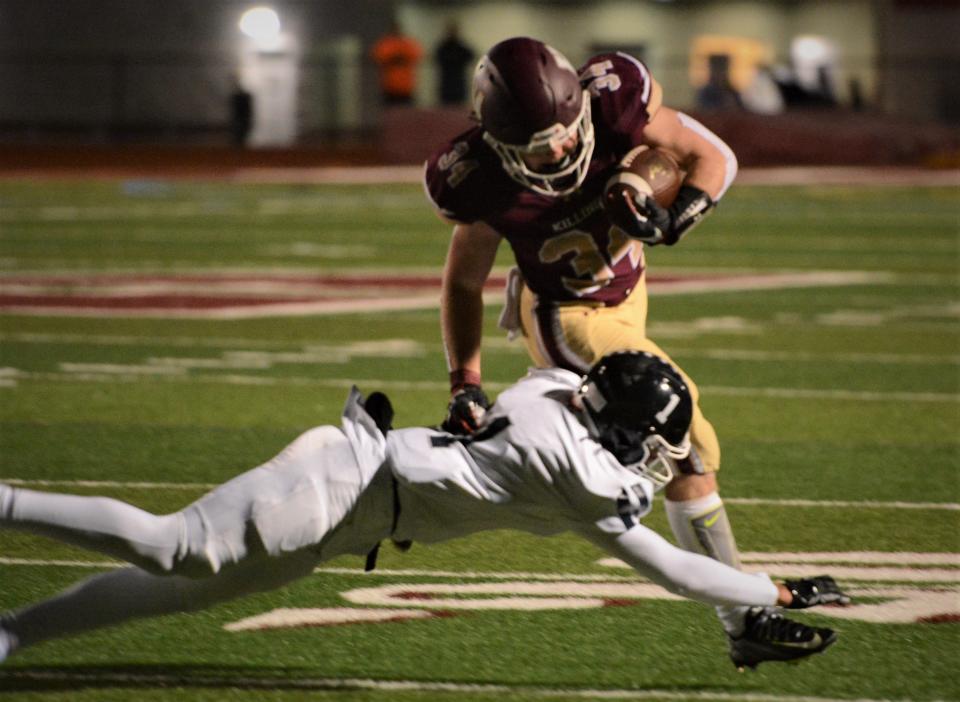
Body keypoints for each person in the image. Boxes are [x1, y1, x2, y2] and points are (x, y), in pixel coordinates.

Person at [0, 351, 848, 669]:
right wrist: (768, 590)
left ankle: (13, 634)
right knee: (176, 549)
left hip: (363, 508)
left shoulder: (559, 390)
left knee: (188, 589)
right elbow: (668, 567)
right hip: (347, 484)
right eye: (652, 440)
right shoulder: (582, 472)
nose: (663, 458)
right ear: (622, 428)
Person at [424, 37, 778, 664]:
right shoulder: (480, 177)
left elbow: (707, 155)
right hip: (569, 312)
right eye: (539, 147)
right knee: (686, 436)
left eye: (564, 132)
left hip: (629, 291)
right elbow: (462, 281)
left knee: (656, 445)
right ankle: (744, 619)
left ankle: (585, 473)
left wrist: (679, 211)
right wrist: (464, 382)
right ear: (501, 144)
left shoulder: (614, 101)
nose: (560, 149)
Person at [370, 20, 424, 105]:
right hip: (390, 86)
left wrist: (396, 56)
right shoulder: (386, 44)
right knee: (390, 113)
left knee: (406, 114)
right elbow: (378, 56)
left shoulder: (407, 44)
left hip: (406, 86)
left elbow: (417, 54)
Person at [434, 21, 475, 105]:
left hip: (459, 83)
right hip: (445, 84)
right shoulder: (443, 47)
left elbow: (472, 56)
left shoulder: (461, 47)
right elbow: (436, 58)